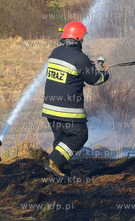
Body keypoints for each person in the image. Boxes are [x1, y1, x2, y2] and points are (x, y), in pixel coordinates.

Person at [42, 21, 109, 179]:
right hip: (68, 110)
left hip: (50, 109)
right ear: (78, 38)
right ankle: (53, 162)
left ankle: (61, 174)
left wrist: (86, 65)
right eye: (82, 38)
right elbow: (95, 79)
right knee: (79, 136)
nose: (83, 41)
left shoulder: (56, 52)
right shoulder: (79, 58)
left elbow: (74, 69)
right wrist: (105, 73)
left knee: (62, 139)